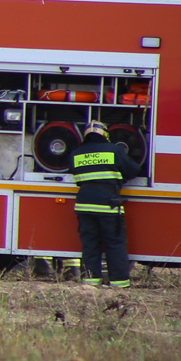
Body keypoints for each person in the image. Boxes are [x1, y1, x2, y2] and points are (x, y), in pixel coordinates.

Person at [72, 120, 133, 287]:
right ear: (105, 134)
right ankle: (119, 282)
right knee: (114, 243)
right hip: (108, 205)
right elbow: (133, 169)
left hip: (84, 205)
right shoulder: (115, 150)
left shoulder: (76, 153)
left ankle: (90, 282)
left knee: (90, 244)